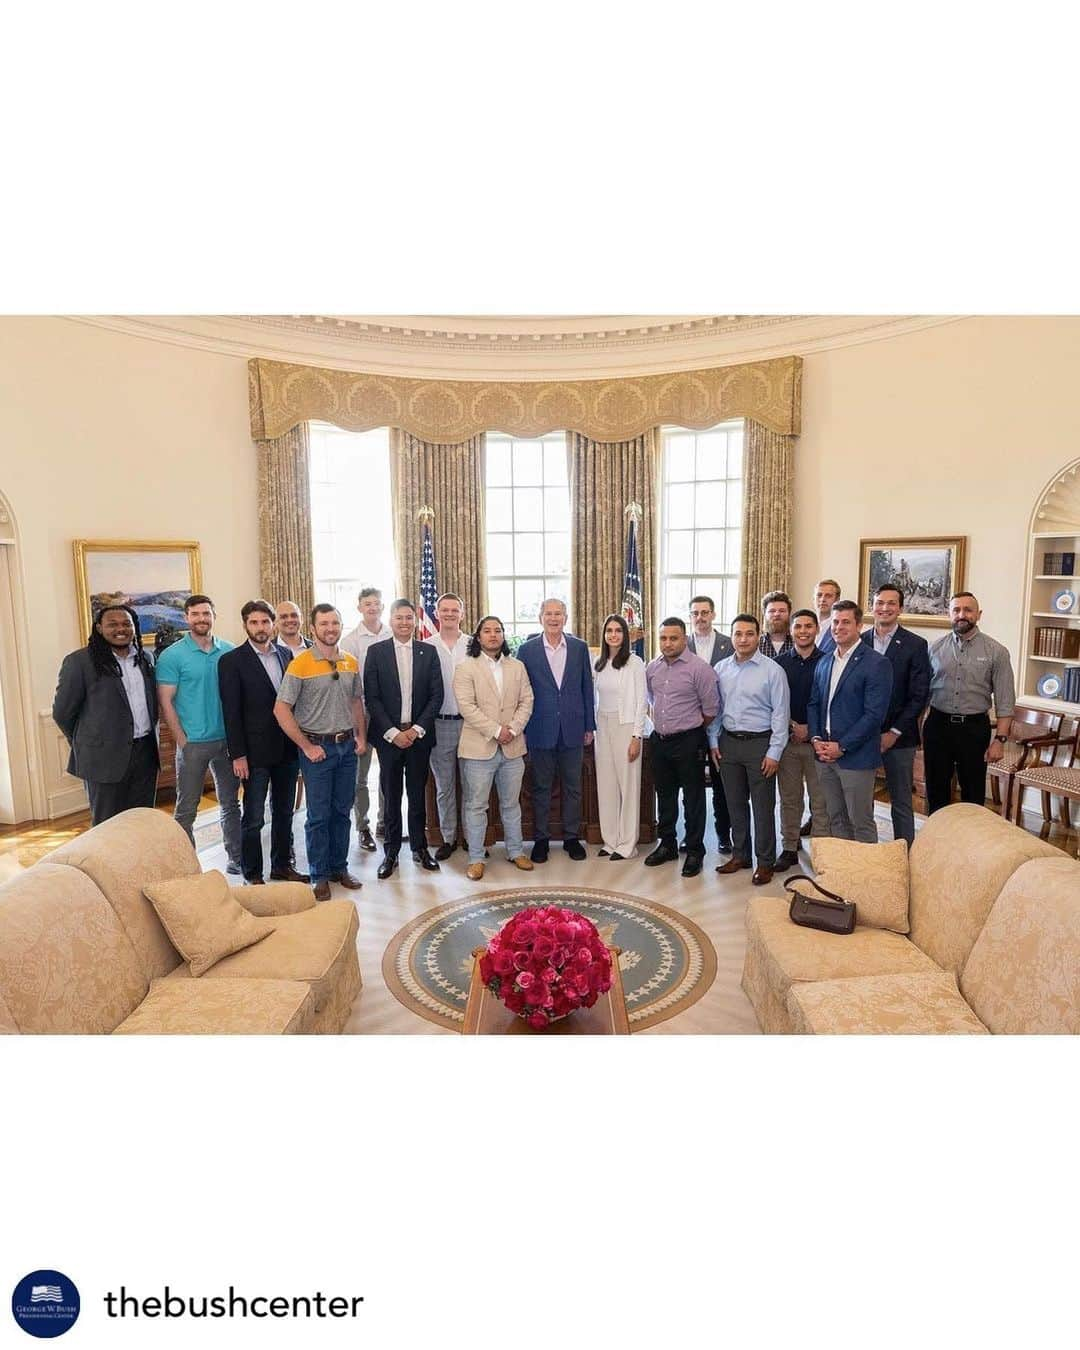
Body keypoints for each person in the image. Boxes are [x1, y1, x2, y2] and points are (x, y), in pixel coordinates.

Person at [273, 604, 366, 901]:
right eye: (324, 624)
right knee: (318, 816)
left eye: (335, 623)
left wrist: (361, 736)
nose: (330, 628)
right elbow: (281, 709)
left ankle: (340, 867)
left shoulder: (350, 662)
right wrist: (307, 746)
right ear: (313, 629)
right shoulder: (300, 664)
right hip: (318, 750)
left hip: (347, 748)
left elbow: (355, 703)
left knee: (342, 811)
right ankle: (319, 874)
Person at [218, 599, 307, 885]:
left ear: (273, 624)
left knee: (284, 811)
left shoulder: (285, 655)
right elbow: (230, 712)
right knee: (253, 817)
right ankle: (252, 873)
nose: (260, 627)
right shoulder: (231, 661)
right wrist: (238, 755)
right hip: (253, 754)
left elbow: (294, 703)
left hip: (286, 749)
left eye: (265, 622)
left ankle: (282, 865)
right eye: (254, 622)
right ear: (245, 625)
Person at [156, 594, 241, 872]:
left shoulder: (229, 651)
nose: (201, 619)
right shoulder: (172, 656)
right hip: (192, 744)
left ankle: (236, 859)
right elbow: (166, 701)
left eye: (206, 613)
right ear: (186, 618)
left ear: (214, 616)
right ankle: (187, 867)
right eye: (195, 614)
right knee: (186, 810)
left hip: (227, 742)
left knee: (230, 804)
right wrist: (181, 739)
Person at [52, 604, 159, 825]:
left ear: (134, 627)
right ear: (99, 628)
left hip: (145, 753)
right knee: (107, 826)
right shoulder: (80, 662)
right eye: (113, 624)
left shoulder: (145, 658)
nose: (120, 629)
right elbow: (62, 713)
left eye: (126, 624)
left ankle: (138, 860)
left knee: (143, 821)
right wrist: (89, 741)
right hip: (104, 757)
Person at [363, 599, 444, 878]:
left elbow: (436, 696)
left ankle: (420, 849)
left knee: (417, 796)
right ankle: (392, 852)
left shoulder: (428, 652)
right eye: (399, 618)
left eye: (409, 618)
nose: (404, 622)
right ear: (391, 620)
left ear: (415, 620)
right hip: (388, 739)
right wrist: (394, 733)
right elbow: (371, 698)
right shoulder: (376, 652)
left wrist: (416, 730)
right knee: (391, 795)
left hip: (419, 737)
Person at [453, 615, 536, 880]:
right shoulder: (466, 668)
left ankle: (516, 851)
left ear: (503, 635)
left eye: (498, 630)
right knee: (476, 805)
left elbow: (527, 700)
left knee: (512, 804)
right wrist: (495, 730)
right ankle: (476, 858)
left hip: (513, 747)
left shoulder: (517, 667)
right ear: (478, 637)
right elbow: (467, 707)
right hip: (479, 748)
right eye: (487, 631)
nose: (493, 635)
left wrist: (512, 729)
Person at [710, 614, 790, 885]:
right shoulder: (721, 668)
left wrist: (774, 752)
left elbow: (781, 714)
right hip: (728, 744)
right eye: (738, 634)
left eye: (749, 634)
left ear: (758, 636)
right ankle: (740, 855)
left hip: (760, 745)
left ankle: (765, 862)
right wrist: (713, 742)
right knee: (735, 804)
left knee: (763, 807)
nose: (743, 639)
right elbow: (717, 710)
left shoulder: (773, 671)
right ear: (731, 637)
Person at [808, 600, 894, 844]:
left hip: (855, 757)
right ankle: (844, 873)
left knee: (861, 822)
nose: (839, 627)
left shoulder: (876, 663)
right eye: (835, 622)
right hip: (823, 755)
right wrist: (815, 739)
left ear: (859, 625)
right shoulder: (824, 661)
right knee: (836, 818)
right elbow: (814, 704)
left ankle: (867, 876)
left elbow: (874, 715)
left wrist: (842, 746)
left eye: (846, 622)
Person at [516, 598, 595, 862]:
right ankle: (541, 840)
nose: (553, 618)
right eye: (548, 613)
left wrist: (589, 726)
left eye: (558, 613)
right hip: (540, 728)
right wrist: (523, 728)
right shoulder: (526, 651)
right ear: (540, 617)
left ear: (566, 617)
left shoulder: (579, 647)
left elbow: (586, 687)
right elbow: (521, 692)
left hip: (573, 728)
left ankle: (572, 838)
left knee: (573, 787)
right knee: (541, 787)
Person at [924, 591, 1016, 814]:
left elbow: (1005, 701)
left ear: (979, 614)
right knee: (936, 790)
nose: (961, 615)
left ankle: (971, 844)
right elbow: (923, 694)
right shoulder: (934, 649)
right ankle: (936, 842)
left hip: (973, 729)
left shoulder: (997, 652)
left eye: (968, 610)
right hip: (938, 725)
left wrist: (1000, 740)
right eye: (956, 610)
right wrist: (918, 729)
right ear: (949, 614)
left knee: (973, 793)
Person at [644, 617, 719, 877]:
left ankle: (695, 850)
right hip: (660, 741)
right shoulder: (652, 668)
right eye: (663, 638)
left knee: (693, 797)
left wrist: (690, 726)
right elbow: (652, 701)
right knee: (664, 796)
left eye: (673, 638)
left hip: (689, 740)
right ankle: (667, 845)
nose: (667, 643)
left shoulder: (700, 669)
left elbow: (710, 709)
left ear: (684, 639)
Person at [859, 583, 931, 846]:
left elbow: (918, 696)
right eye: (880, 602)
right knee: (861, 797)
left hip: (900, 738)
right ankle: (866, 851)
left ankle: (904, 852)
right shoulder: (859, 640)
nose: (885, 608)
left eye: (891, 603)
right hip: (862, 737)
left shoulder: (915, 645)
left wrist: (893, 732)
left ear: (900, 608)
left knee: (900, 799)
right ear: (872, 606)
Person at [774, 609, 828, 870]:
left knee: (820, 800)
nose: (803, 631)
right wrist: (793, 726)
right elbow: (774, 703)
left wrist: (811, 729)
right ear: (791, 631)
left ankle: (820, 849)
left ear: (817, 629)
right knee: (789, 798)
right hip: (789, 741)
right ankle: (789, 847)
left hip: (818, 743)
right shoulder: (780, 663)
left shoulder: (829, 661)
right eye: (798, 627)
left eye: (808, 626)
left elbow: (830, 703)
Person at [340, 587, 392, 852]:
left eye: (376, 603)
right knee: (360, 776)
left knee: (388, 772)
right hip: (362, 712)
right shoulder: (349, 641)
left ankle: (386, 822)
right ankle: (363, 826)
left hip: (389, 713)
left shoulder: (392, 633)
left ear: (382, 607)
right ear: (359, 607)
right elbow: (350, 688)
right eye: (367, 604)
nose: (372, 607)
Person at [593, 614, 647, 860]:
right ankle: (610, 840)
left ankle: (627, 844)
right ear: (604, 635)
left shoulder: (634, 663)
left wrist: (637, 736)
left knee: (628, 785)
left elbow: (641, 703)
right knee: (606, 784)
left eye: (618, 631)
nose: (613, 635)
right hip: (601, 726)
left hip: (626, 726)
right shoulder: (598, 663)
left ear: (625, 636)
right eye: (609, 631)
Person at [423, 592, 470, 860]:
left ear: (462, 614)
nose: (450, 614)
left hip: (471, 725)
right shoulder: (427, 646)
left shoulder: (473, 645)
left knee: (471, 784)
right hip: (440, 724)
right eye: (445, 610)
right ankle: (449, 838)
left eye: (455, 610)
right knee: (445, 786)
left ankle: (471, 838)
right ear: (437, 614)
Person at [686, 594, 734, 852]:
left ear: (713, 615)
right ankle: (692, 836)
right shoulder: (682, 645)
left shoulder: (729, 643)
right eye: (695, 613)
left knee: (721, 784)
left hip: (721, 725)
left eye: (705, 612)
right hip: (690, 727)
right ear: (690, 617)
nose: (700, 617)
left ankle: (723, 834)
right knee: (691, 785)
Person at [759, 590, 795, 659]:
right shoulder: (755, 646)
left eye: (782, 611)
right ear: (764, 614)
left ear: (789, 614)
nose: (777, 614)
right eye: (772, 611)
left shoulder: (798, 644)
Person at [813, 578, 841, 654]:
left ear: (837, 600)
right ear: (813, 598)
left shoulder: (840, 628)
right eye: (819, 595)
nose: (822, 599)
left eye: (828, 596)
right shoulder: (803, 625)